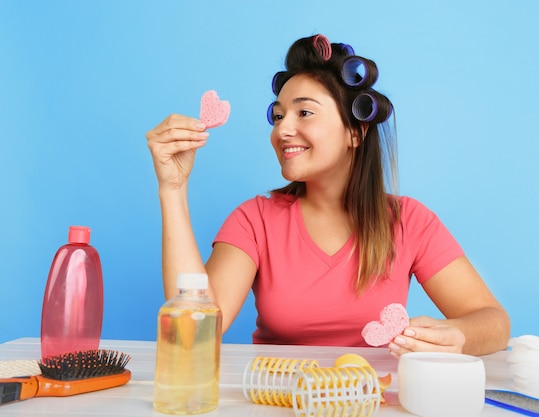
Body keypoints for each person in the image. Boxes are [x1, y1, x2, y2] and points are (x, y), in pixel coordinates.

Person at [146, 34, 510, 356]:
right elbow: (192, 334)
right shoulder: (254, 220)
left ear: (356, 133)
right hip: (276, 401)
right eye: (277, 116)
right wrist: (172, 189)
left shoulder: (409, 221)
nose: (282, 129)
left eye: (304, 112)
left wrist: (457, 334)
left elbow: (493, 322)